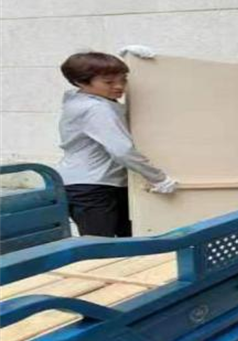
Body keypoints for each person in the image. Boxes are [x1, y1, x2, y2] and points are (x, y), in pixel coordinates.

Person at [57, 50, 177, 238]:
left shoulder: (85, 99)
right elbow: (122, 150)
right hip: (91, 186)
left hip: (101, 183)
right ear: (80, 82)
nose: (119, 86)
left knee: (124, 240)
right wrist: (158, 178)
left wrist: (138, 62)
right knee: (99, 246)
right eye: (109, 82)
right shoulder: (96, 108)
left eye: (123, 79)